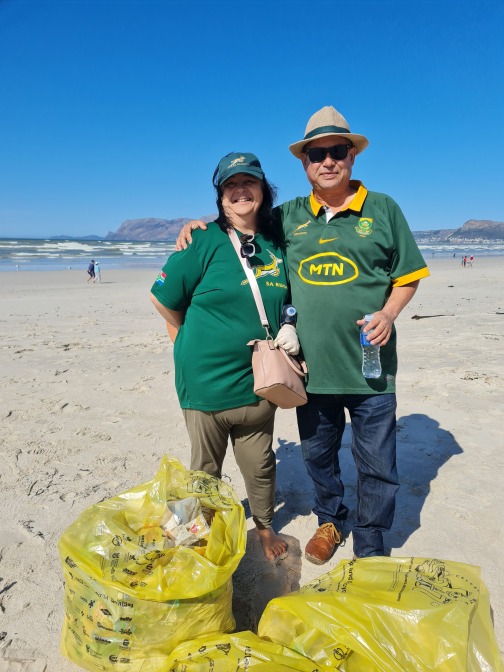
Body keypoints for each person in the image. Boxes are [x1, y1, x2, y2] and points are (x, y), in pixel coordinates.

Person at [176, 106, 430, 563]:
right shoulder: (288, 216)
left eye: (337, 151)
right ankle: (330, 521)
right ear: (304, 162)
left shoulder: (383, 208)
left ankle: (371, 543)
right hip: (311, 369)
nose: (328, 161)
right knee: (318, 457)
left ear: (352, 156)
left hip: (371, 366)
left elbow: (407, 276)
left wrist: (389, 313)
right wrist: (196, 226)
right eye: (317, 154)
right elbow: (239, 220)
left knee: (377, 464)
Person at [150, 152, 297, 561]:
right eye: (231, 185)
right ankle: (194, 535)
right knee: (204, 471)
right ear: (220, 197)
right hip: (206, 385)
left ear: (264, 190)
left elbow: (290, 296)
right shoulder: (201, 240)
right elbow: (163, 298)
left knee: (260, 463)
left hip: (259, 381)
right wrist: (186, 343)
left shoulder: (277, 242)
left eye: (249, 182)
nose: (240, 190)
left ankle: (264, 526)